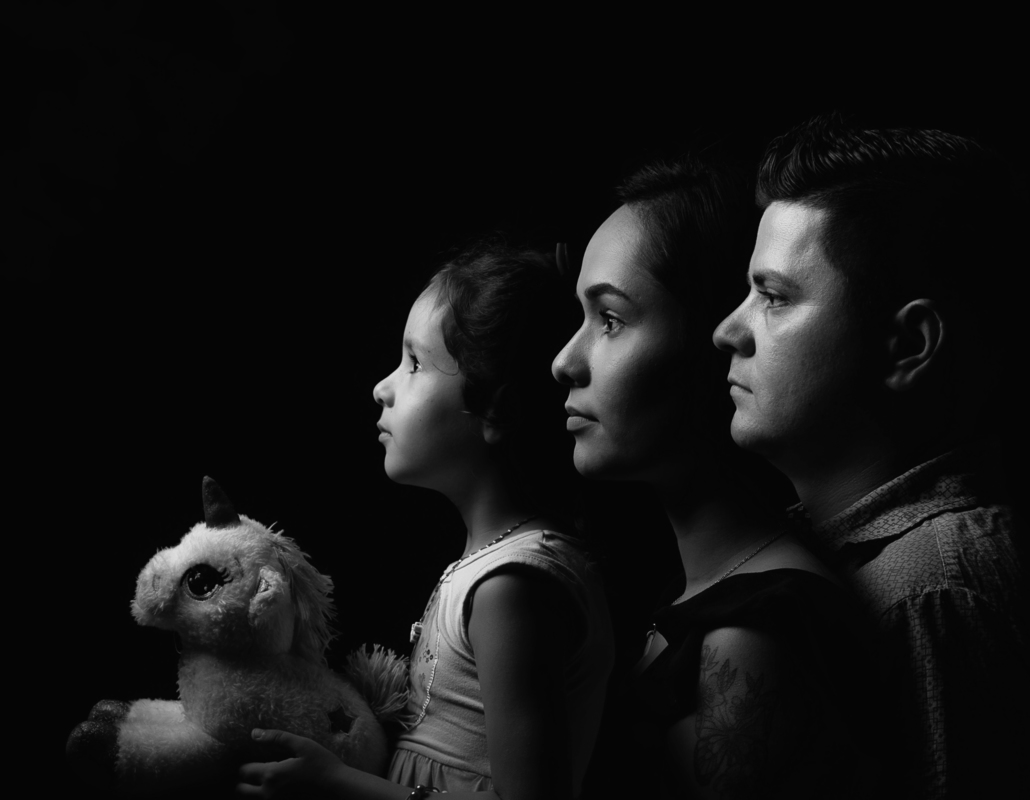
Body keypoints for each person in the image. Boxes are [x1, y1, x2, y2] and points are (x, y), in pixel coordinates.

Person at [712, 114, 1030, 799]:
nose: (727, 330)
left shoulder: (931, 594)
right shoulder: (839, 560)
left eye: (774, 297)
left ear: (908, 345)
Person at [553, 159, 883, 798]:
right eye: (581, 319)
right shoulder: (692, 584)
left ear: (714, 335)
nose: (565, 362)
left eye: (610, 320)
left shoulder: (758, 627)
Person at [237, 244, 614, 799]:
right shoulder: (492, 566)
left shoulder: (512, 587)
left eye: (414, 363)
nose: (382, 387)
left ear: (497, 410)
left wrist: (338, 783)